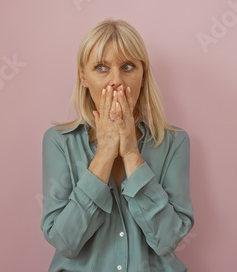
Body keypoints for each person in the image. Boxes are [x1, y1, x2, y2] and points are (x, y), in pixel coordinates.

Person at [41, 19, 195, 272]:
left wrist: (131, 153)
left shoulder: (175, 143)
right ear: (84, 77)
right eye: (101, 67)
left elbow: (167, 240)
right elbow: (65, 242)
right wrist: (103, 154)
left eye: (127, 66)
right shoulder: (58, 141)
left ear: (142, 75)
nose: (116, 81)